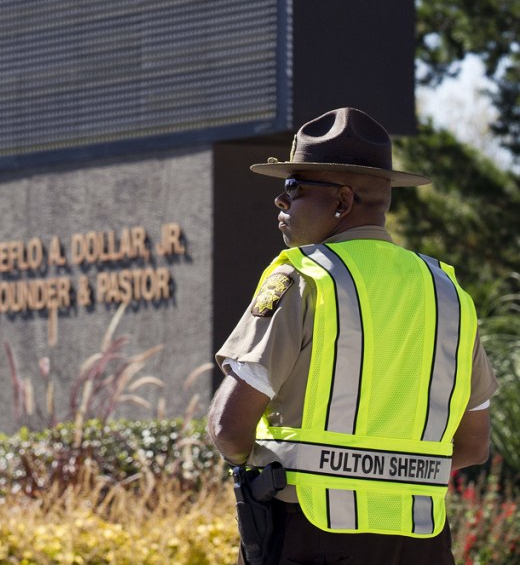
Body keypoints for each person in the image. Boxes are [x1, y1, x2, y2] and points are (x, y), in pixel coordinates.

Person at [208, 106, 497, 565]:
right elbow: (473, 445)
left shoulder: (305, 277)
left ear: (342, 201)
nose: (281, 202)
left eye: (293, 187)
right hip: (422, 543)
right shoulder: (449, 294)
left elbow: (230, 430)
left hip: (309, 536)